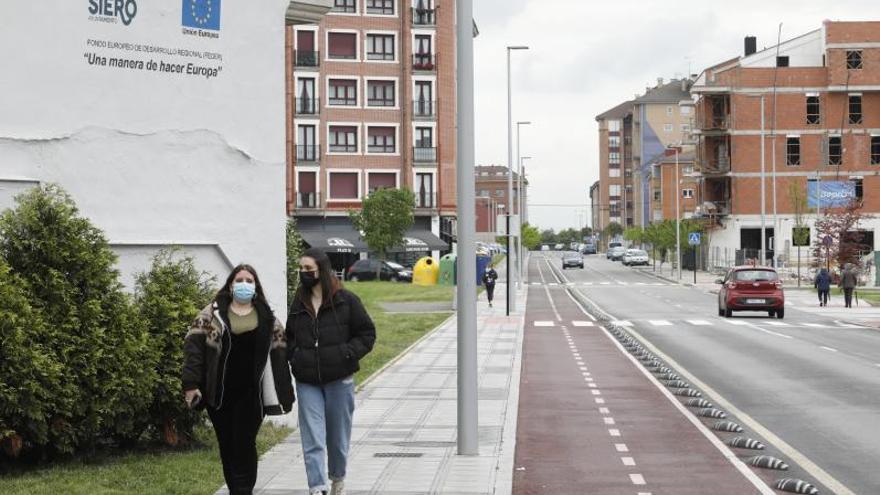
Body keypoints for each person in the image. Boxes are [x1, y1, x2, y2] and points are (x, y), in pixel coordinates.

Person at [182, 264, 295, 495]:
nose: (244, 284)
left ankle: (244, 490)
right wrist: (191, 385)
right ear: (231, 285)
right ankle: (236, 489)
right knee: (227, 446)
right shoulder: (211, 315)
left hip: (252, 396)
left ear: (256, 286)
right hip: (219, 395)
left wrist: (286, 391)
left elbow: (282, 355)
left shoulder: (267, 318)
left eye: (249, 280)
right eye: (239, 280)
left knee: (244, 444)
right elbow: (193, 350)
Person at [287, 248, 376, 495]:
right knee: (312, 437)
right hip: (307, 380)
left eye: (308, 269)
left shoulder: (346, 300)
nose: (303, 274)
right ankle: (317, 487)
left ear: (322, 270)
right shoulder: (299, 302)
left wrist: (347, 353)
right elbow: (290, 337)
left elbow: (367, 334)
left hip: (339, 379)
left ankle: (338, 478)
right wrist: (295, 357)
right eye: (301, 269)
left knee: (337, 438)